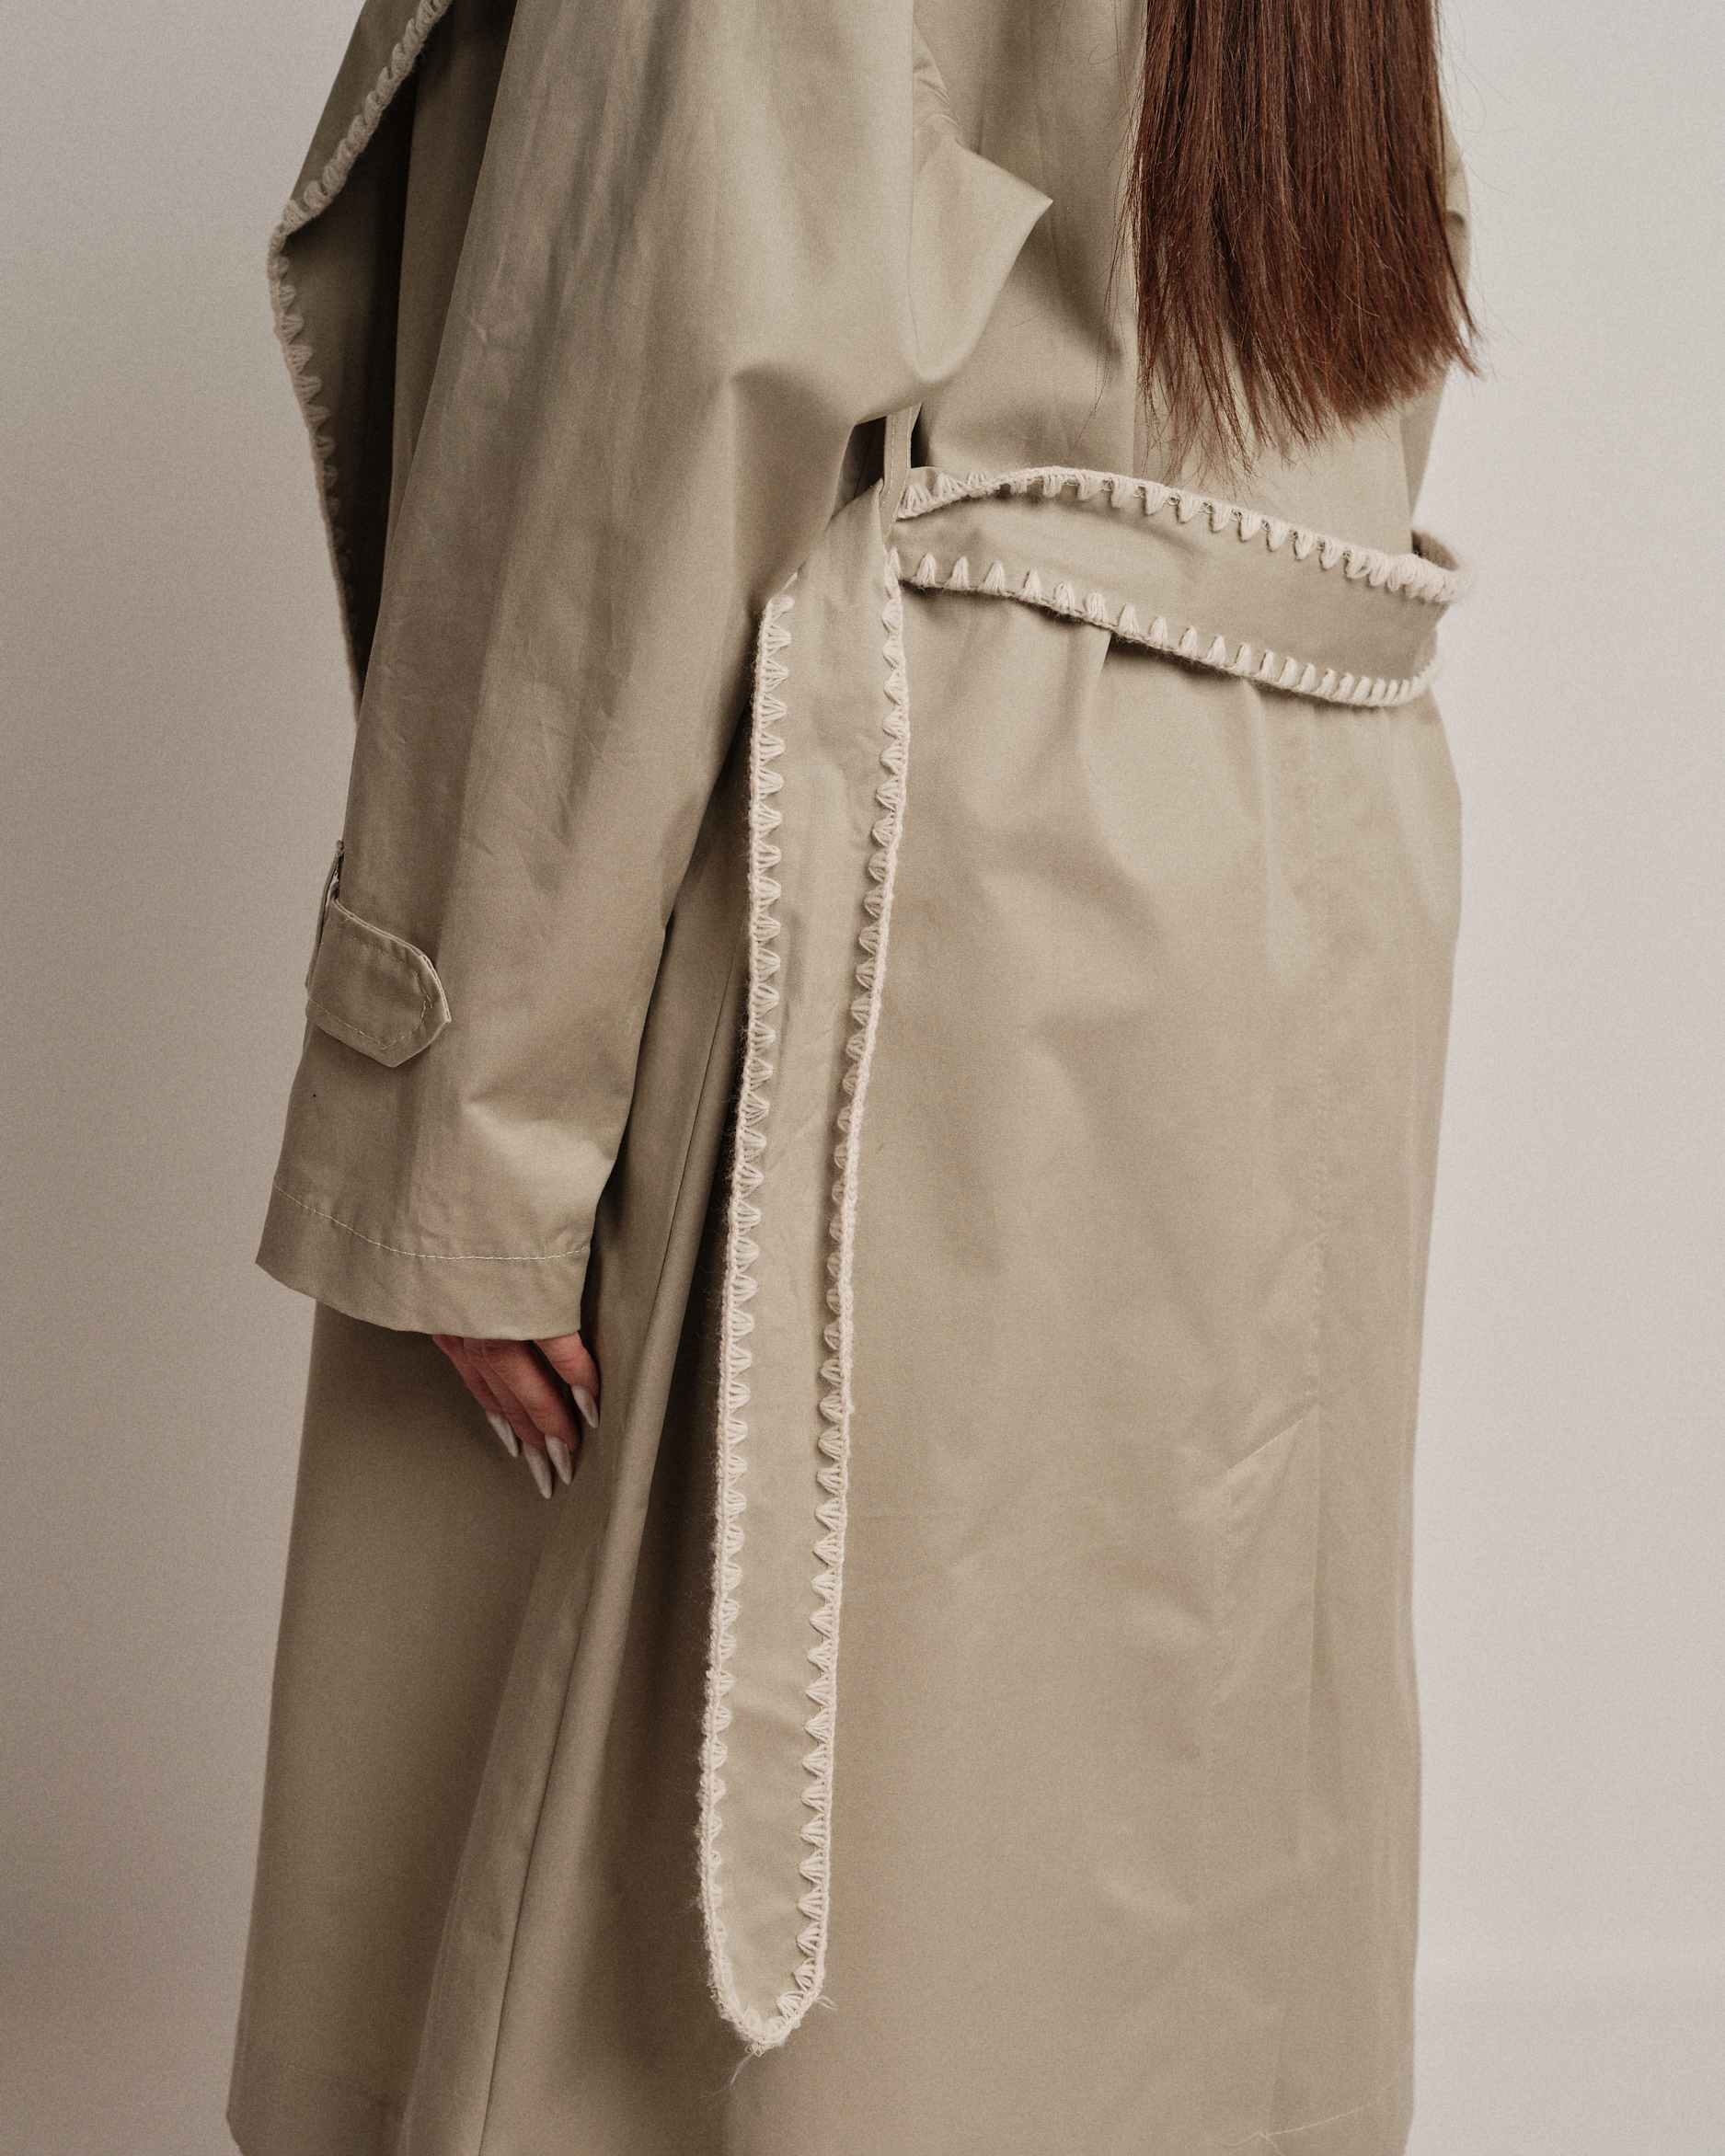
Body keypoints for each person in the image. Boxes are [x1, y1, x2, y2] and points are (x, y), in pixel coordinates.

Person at [230, 1, 1476, 2150]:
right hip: (1261, 894)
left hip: (878, 908)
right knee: (1128, 1920)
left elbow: (665, 335)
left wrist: (463, 1093)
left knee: (693, 1988)